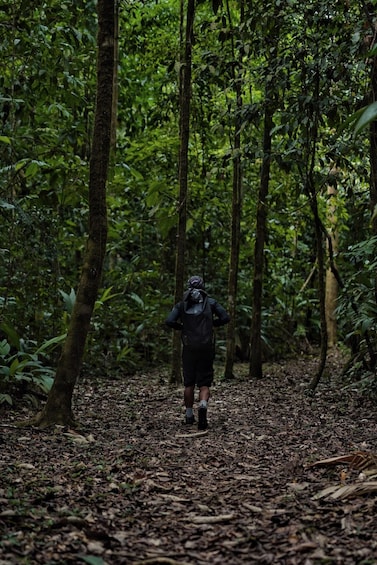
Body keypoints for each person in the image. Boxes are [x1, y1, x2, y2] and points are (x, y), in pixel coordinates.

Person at [165, 275, 230, 430]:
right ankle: (202, 405)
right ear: (203, 287)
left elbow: (169, 321)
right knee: (204, 383)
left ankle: (188, 415)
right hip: (206, 347)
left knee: (189, 383)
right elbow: (226, 317)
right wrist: (212, 324)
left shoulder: (181, 305)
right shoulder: (211, 303)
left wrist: (183, 327)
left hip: (189, 348)